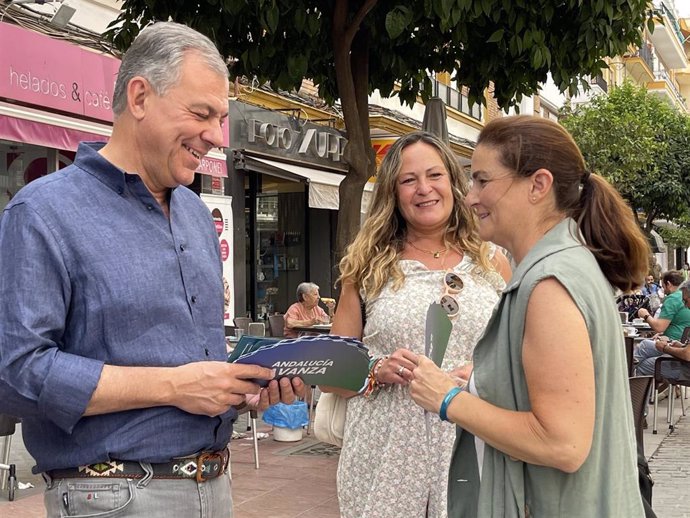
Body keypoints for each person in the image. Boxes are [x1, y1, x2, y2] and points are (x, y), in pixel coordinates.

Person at [0, 22, 303, 518]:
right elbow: (15, 372)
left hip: (215, 484)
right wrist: (174, 385)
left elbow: (195, 364)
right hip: (113, 496)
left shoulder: (195, 214)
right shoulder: (43, 212)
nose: (214, 135)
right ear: (139, 96)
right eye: (202, 113)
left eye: (221, 119)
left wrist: (244, 387)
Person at [409, 115, 649, 517]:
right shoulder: (564, 266)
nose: (470, 197)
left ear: (538, 185)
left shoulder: (548, 285)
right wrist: (487, 381)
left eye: (483, 180)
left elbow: (563, 444)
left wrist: (447, 399)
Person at [329, 131, 511, 518]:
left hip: (473, 445)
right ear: (393, 193)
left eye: (434, 175)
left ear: (453, 183)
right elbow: (330, 373)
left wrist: (486, 373)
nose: (424, 189)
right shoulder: (366, 268)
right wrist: (375, 368)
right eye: (408, 180)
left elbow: (523, 355)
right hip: (386, 457)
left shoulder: (491, 262)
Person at [635, 271, 690, 376]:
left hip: (686, 368)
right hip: (678, 345)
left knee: (643, 359)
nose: (685, 306)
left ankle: (628, 383)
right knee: (645, 348)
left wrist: (665, 348)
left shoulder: (673, 298)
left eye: (686, 301)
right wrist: (680, 345)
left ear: (668, 284)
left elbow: (687, 354)